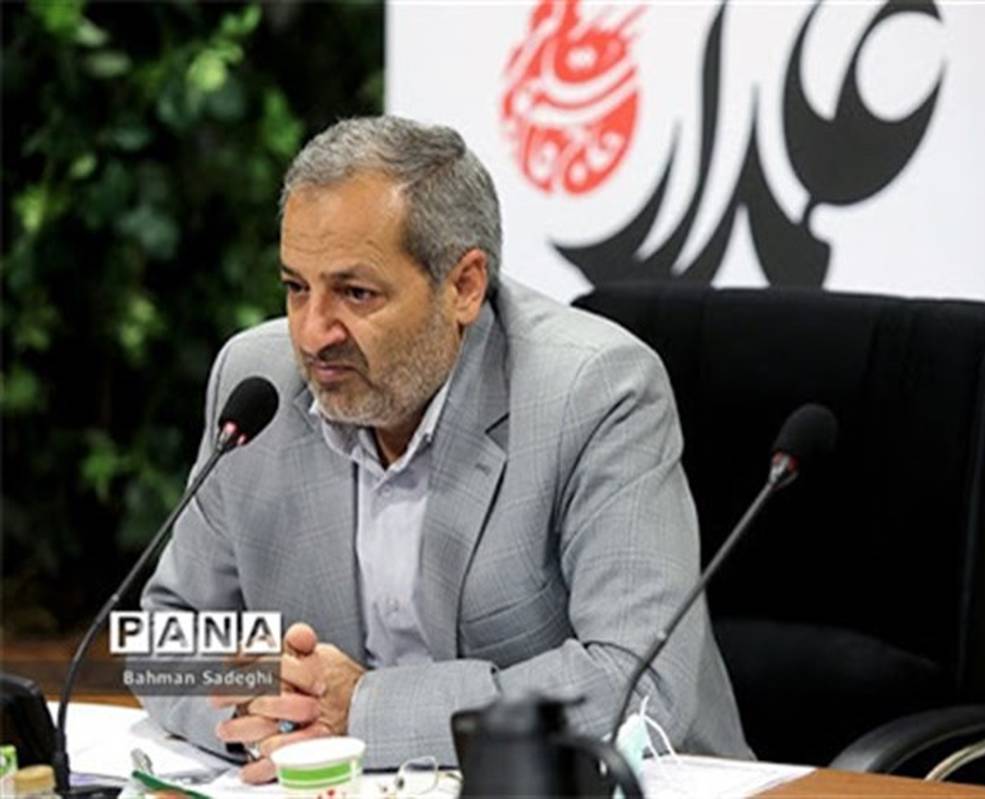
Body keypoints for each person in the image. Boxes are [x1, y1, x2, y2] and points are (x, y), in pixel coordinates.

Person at [138, 116, 751, 782]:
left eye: (355, 293)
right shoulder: (256, 382)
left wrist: (362, 711)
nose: (312, 334)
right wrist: (271, 704)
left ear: (463, 287)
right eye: (295, 287)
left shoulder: (593, 392)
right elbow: (165, 636)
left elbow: (635, 679)